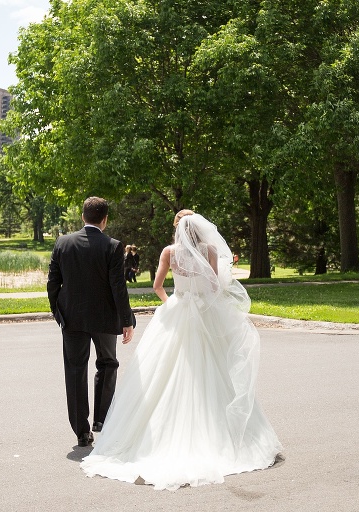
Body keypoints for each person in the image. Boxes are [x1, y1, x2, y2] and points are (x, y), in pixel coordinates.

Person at [80, 211, 282, 490]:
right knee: (214, 369)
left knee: (162, 372)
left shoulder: (169, 252)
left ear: (177, 228)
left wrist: (172, 302)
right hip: (202, 312)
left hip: (177, 311)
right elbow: (213, 285)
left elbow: (157, 286)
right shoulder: (209, 250)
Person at [47, 197, 136, 448]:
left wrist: (58, 312)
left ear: (82, 216)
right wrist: (126, 320)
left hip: (72, 318)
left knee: (75, 371)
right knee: (108, 363)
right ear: (105, 220)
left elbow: (53, 282)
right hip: (105, 318)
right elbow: (118, 287)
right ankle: (102, 419)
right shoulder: (113, 246)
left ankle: (81, 432)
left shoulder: (63, 242)